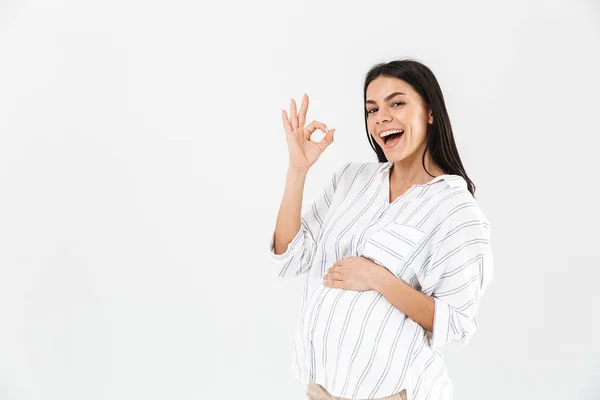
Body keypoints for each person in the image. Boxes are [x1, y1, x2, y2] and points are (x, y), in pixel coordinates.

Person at [269, 59, 494, 400]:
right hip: (321, 392)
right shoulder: (350, 180)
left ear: (430, 112)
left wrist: (378, 279)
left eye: (397, 103)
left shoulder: (455, 210)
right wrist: (297, 171)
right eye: (372, 109)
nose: (381, 118)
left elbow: (457, 322)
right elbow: (289, 259)